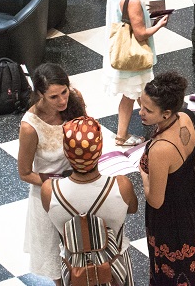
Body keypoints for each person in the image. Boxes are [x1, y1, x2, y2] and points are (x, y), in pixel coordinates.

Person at [40, 116, 137, 286]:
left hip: (74, 272)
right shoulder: (121, 185)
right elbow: (132, 208)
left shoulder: (49, 190)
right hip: (115, 269)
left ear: (66, 152)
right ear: (99, 151)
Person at [138, 72, 195, 285]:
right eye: (141, 105)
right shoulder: (186, 116)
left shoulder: (161, 149)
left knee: (173, 270)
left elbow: (156, 199)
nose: (141, 112)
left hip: (171, 219)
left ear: (166, 113)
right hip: (192, 201)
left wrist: (143, 173)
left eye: (148, 110)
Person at [19, 63, 87, 286]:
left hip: (77, 188)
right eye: (53, 96)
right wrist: (56, 182)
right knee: (55, 258)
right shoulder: (30, 126)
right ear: (40, 95)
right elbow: (25, 172)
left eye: (64, 92)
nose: (62, 101)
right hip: (48, 194)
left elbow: (85, 135)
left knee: (83, 247)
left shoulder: (74, 100)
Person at [104, 0, 169, 146]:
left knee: (141, 92)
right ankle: (121, 136)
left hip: (117, 50)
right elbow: (141, 34)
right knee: (131, 95)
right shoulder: (133, 0)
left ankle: (157, 123)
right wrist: (159, 24)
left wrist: (143, 14)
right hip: (132, 56)